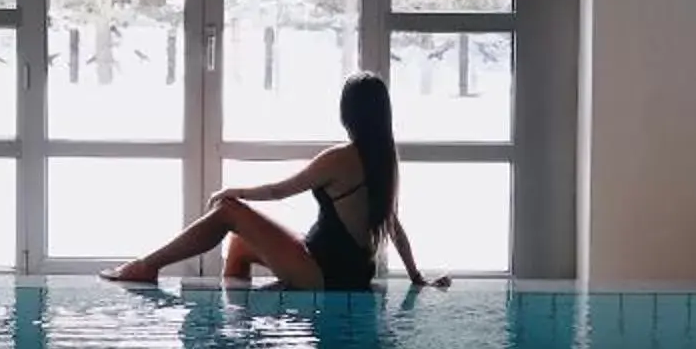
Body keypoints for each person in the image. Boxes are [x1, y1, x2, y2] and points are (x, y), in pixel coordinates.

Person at [102, 71, 449, 292]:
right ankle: (240, 319)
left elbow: (280, 191)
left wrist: (234, 192)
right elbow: (394, 224)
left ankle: (147, 267)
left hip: (323, 272)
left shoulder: (340, 158)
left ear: (348, 113)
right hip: (353, 271)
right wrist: (416, 276)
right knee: (239, 244)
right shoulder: (384, 161)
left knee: (229, 212)